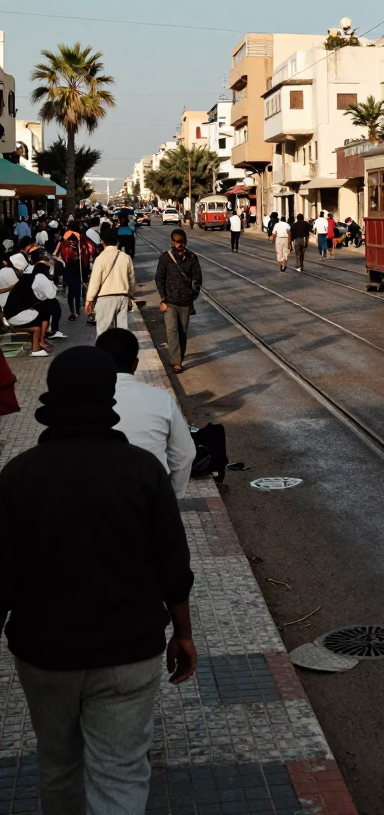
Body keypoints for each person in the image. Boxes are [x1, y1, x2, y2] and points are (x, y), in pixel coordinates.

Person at [0, 346, 196, 815]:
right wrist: (183, 634)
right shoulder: (142, 471)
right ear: (109, 395)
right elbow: (173, 564)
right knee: (121, 770)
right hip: (129, 650)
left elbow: (1, 576)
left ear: (51, 396)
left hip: (45, 654)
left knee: (58, 765)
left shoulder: (18, 474)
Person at [96, 328, 196, 497]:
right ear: (135, 364)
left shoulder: (81, 402)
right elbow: (185, 454)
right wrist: (173, 495)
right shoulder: (162, 399)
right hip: (149, 496)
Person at [155, 229, 202, 373]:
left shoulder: (192, 258)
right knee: (171, 331)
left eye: (181, 242)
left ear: (185, 242)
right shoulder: (166, 258)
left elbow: (198, 279)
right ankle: (176, 361)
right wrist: (163, 298)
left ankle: (179, 357)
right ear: (172, 242)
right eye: (176, 242)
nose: (179, 244)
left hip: (186, 302)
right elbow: (159, 278)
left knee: (183, 331)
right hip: (170, 301)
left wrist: (192, 295)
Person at [84, 225, 136, 334]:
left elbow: (95, 281)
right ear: (116, 241)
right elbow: (131, 280)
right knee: (122, 332)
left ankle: (103, 351)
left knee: (103, 332)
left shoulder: (100, 259)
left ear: (102, 241)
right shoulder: (126, 257)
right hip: (122, 297)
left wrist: (89, 300)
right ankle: (121, 350)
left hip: (105, 299)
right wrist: (130, 296)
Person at [3, 257, 53, 356]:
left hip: (11, 313)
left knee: (41, 315)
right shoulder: (33, 281)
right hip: (14, 315)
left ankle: (37, 346)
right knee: (42, 316)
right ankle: (38, 345)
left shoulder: (27, 278)